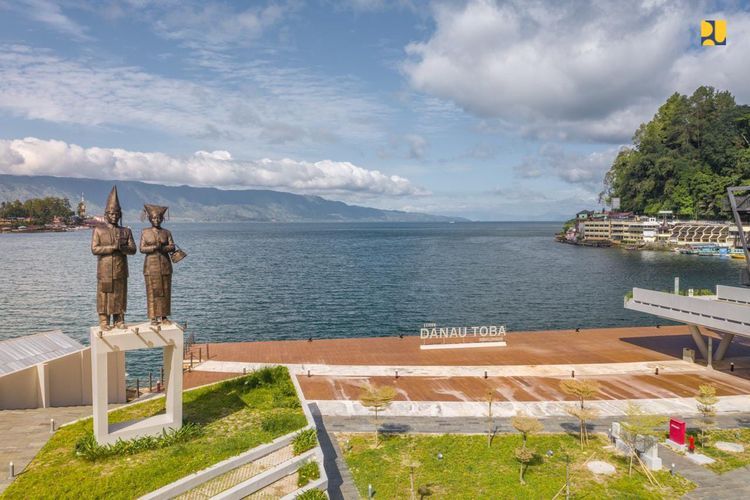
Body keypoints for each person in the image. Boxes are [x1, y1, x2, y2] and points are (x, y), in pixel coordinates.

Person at [91, 186, 136, 330]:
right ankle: (104, 321)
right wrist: (112, 248)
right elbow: (95, 249)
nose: (114, 216)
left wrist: (122, 248)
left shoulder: (126, 231)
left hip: (120, 269)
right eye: (111, 213)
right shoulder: (98, 230)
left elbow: (133, 249)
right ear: (106, 215)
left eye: (117, 214)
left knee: (119, 295)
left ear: (120, 215)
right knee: (104, 295)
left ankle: (119, 320)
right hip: (104, 269)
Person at [140, 204, 175, 325]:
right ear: (150, 219)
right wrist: (155, 247)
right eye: (154, 218)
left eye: (159, 218)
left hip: (165, 265)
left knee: (165, 291)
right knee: (152, 292)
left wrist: (163, 248)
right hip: (150, 265)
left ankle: (164, 316)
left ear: (162, 219)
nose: (157, 220)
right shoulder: (145, 232)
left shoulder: (167, 232)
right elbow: (142, 248)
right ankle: (153, 316)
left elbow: (172, 246)